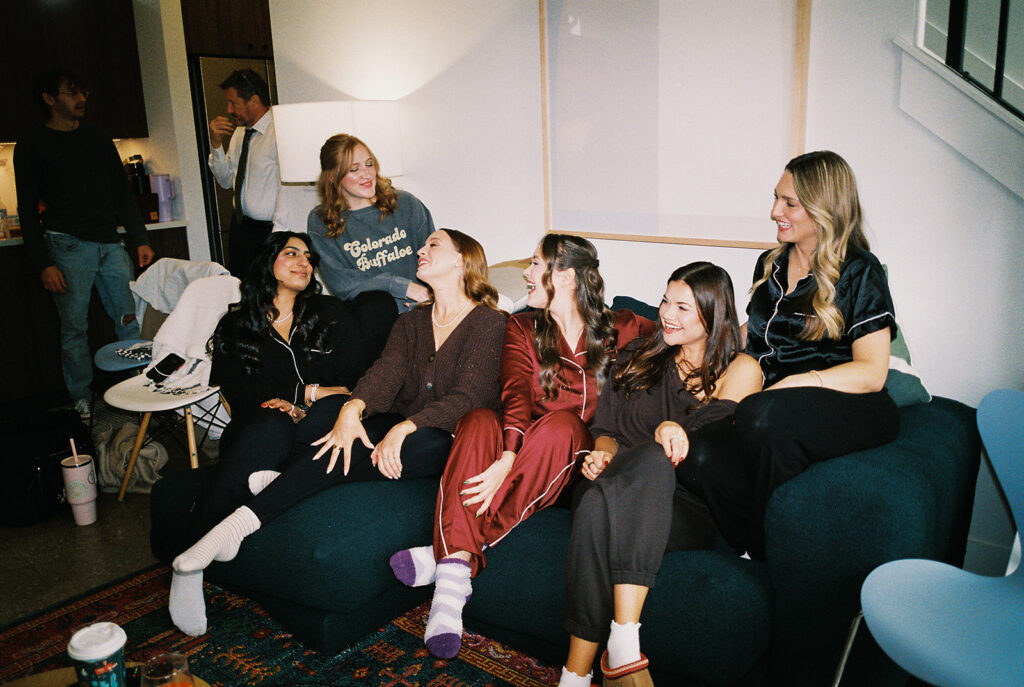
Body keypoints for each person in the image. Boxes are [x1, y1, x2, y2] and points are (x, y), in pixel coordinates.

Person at [169, 228, 506, 636]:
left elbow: (471, 396)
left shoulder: (490, 323)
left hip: (445, 435)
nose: (420, 249)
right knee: (336, 423)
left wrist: (405, 426)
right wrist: (353, 409)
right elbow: (385, 374)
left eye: (432, 245)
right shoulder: (412, 321)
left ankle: (280, 487)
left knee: (426, 443)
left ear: (460, 261)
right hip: (397, 421)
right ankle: (228, 531)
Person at [390, 233, 655, 659]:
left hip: (571, 460)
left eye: (535, 265)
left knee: (562, 426)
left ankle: (452, 555)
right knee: (477, 419)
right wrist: (507, 455)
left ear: (565, 276)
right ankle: (455, 570)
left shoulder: (623, 327)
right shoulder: (522, 325)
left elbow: (688, 336)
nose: (526, 274)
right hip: (524, 448)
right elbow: (514, 391)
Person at [557, 263, 762, 687]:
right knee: (602, 491)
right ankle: (618, 649)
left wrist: (674, 430)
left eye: (683, 307)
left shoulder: (740, 369)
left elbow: (718, 433)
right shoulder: (637, 355)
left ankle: (578, 673)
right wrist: (600, 455)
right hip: (614, 481)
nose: (667, 312)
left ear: (713, 313)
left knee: (621, 485)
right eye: (666, 300)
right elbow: (607, 432)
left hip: (682, 506)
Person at [700, 150, 900, 560]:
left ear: (824, 208)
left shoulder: (860, 270)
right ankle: (751, 537)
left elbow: (872, 371)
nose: (775, 211)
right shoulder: (770, 263)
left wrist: (800, 382)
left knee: (761, 412)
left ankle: (763, 550)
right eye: (776, 198)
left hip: (853, 401)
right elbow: (755, 335)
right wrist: (694, 349)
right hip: (778, 405)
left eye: (789, 203)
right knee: (695, 450)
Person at [182, 231, 397, 549]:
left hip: (322, 427)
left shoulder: (330, 313)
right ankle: (196, 544)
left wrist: (304, 404)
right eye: (292, 254)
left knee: (334, 406)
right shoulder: (236, 325)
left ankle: (274, 487)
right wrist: (305, 394)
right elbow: (242, 394)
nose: (304, 263)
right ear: (267, 262)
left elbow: (355, 380)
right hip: (263, 430)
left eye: (308, 257)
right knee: (272, 421)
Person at [14, 68, 155, 421]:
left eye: (82, 91)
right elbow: (27, 209)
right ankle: (82, 402)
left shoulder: (97, 137)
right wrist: (43, 262)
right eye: (71, 92)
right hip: (67, 247)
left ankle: (139, 392)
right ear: (49, 98)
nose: (81, 99)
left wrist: (139, 238)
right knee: (75, 329)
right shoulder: (32, 143)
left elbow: (122, 193)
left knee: (129, 322)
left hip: (111, 244)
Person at [307, 134, 435, 312]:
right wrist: (401, 287)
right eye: (354, 169)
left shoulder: (406, 204)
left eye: (369, 164)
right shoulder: (321, 221)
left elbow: (435, 258)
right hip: (374, 319)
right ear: (332, 176)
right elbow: (343, 283)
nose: (366, 174)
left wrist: (431, 298)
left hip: (423, 310)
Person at [207, 69, 284, 278]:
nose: (228, 109)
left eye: (233, 103)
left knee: (268, 291)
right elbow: (225, 182)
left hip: (268, 231)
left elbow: (288, 189)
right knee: (240, 288)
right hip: (240, 227)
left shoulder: (279, 132)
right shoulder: (240, 133)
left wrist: (280, 234)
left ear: (254, 100)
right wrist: (215, 145)